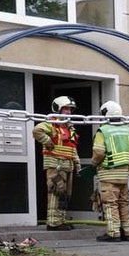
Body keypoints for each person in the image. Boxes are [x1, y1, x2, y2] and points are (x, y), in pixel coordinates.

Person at [32, 95, 80, 230]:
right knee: (55, 191)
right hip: (55, 165)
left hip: (67, 165)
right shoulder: (51, 123)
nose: (69, 112)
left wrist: (77, 163)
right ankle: (53, 223)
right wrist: (48, 142)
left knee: (65, 194)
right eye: (66, 109)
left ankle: (61, 220)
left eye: (70, 110)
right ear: (58, 109)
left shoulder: (69, 127)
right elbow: (37, 130)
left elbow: (72, 147)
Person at [89, 100, 129, 242]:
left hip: (108, 174)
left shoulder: (103, 131)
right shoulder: (127, 130)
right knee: (123, 203)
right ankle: (127, 232)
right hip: (123, 175)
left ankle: (113, 233)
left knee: (110, 204)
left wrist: (93, 165)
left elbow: (99, 152)